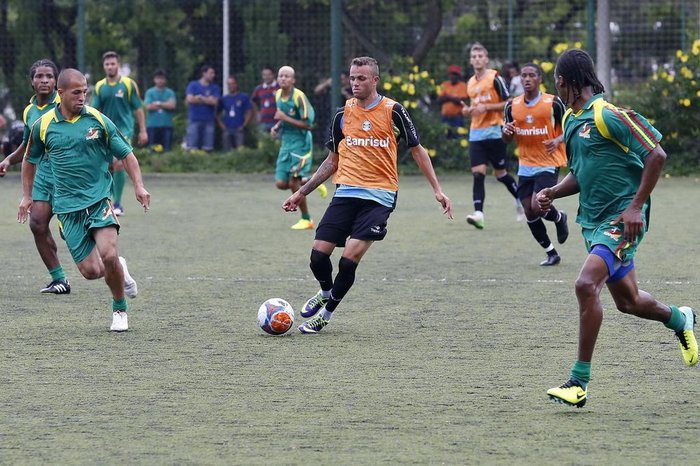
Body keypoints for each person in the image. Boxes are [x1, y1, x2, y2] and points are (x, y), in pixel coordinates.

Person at [537, 49, 696, 408]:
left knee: (585, 284)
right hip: (593, 222)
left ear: (566, 82)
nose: (556, 89)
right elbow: (581, 171)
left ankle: (578, 383)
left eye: (557, 83)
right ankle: (679, 318)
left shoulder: (608, 115)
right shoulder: (571, 120)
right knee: (628, 302)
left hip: (622, 220)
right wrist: (553, 192)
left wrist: (635, 206)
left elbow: (657, 155)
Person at [282, 56, 453, 334]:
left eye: (361, 78)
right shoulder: (342, 114)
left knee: (348, 260)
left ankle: (326, 314)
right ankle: (325, 292)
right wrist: (301, 193)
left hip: (380, 197)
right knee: (318, 257)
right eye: (352, 78)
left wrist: (437, 189)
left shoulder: (393, 111)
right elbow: (331, 162)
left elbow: (418, 150)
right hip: (346, 192)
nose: (355, 83)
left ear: (375, 80)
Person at [20, 68, 151, 332]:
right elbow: (29, 160)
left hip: (99, 200)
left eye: (85, 92)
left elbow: (127, 154)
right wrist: (27, 195)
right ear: (61, 93)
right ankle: (119, 268)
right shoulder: (43, 125)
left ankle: (119, 310)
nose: (82, 97)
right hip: (67, 209)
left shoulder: (97, 120)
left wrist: (138, 185)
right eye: (76, 93)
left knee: (108, 254)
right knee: (91, 271)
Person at [0, 59, 72, 294]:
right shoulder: (29, 111)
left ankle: (113, 264)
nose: (44, 80)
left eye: (49, 76)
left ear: (56, 82)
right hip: (44, 176)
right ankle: (59, 279)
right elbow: (28, 146)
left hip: (68, 175)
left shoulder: (65, 104)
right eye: (39, 76)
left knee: (71, 234)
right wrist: (8, 160)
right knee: (37, 223)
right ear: (31, 82)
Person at [502, 63, 569, 266]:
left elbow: (571, 126)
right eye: (524, 75)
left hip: (549, 161)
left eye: (532, 75)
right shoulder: (511, 106)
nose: (527, 79)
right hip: (525, 164)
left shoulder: (553, 103)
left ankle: (558, 218)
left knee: (537, 206)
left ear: (540, 79)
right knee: (528, 210)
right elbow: (506, 138)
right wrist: (506, 133)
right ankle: (551, 252)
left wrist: (557, 140)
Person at [461, 42, 523, 229]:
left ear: (486, 59)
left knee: (501, 174)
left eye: (480, 56)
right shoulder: (470, 83)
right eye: (474, 56)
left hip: (495, 131)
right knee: (478, 173)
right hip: (476, 134)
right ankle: (479, 214)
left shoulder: (494, 78)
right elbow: (476, 106)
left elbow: (508, 102)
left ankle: (520, 199)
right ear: (470, 61)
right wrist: (468, 111)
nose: (477, 59)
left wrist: (487, 107)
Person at [92, 51, 148, 216]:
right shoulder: (99, 87)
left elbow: (138, 108)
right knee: (108, 166)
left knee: (118, 163)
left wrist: (143, 130)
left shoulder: (128, 84)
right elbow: (93, 110)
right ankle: (106, 202)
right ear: (103, 66)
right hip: (105, 131)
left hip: (124, 130)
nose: (110, 67)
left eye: (113, 64)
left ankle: (117, 204)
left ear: (118, 65)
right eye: (107, 64)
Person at [272, 65, 326, 230]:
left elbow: (308, 124)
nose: (283, 78)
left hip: (301, 144)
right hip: (287, 143)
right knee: (281, 183)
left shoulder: (299, 97)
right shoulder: (278, 95)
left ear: (293, 80)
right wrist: (277, 126)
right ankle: (311, 180)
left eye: (287, 76)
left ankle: (306, 219)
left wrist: (284, 118)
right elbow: (283, 117)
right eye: (281, 75)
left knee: (293, 181)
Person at [185, 65, 221, 152]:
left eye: (214, 73)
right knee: (192, 147)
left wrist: (201, 98)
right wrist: (208, 99)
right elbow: (190, 99)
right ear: (204, 74)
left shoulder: (215, 87)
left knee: (208, 147)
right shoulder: (193, 85)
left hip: (209, 120)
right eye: (211, 73)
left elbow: (215, 102)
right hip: (194, 119)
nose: (213, 75)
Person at [216, 75, 253, 150]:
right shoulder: (224, 99)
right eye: (229, 84)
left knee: (240, 150)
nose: (231, 86)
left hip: (239, 128)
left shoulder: (243, 97)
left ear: (236, 84)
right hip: (227, 129)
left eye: (232, 83)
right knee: (226, 150)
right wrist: (222, 126)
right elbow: (217, 114)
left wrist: (244, 125)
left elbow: (249, 112)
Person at [144, 69, 176, 152]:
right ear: (154, 79)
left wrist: (158, 103)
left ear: (165, 80)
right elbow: (147, 107)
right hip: (152, 125)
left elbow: (172, 106)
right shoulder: (150, 92)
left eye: (162, 78)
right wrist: (165, 104)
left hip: (167, 125)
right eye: (158, 78)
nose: (160, 80)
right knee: (152, 149)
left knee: (167, 150)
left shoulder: (170, 92)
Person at [437, 64, 468, 139]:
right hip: (445, 118)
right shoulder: (445, 84)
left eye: (455, 74)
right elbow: (439, 100)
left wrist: (447, 96)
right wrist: (453, 98)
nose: (453, 76)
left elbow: (460, 101)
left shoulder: (462, 86)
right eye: (451, 74)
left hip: (457, 118)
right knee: (444, 139)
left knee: (457, 138)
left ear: (458, 76)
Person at [251, 66, 279, 134]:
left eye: (269, 74)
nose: (267, 77)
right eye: (264, 75)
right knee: (262, 140)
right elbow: (253, 101)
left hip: (277, 122)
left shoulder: (279, 87)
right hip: (263, 122)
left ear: (273, 75)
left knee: (277, 140)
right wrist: (257, 113)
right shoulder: (258, 89)